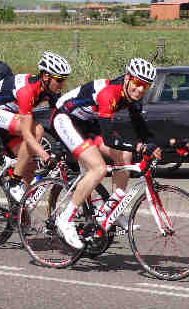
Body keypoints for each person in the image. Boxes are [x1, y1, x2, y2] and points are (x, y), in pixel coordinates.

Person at [51, 58, 163, 249]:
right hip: (65, 118)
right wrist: (139, 147)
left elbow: (143, 132)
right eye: (137, 83)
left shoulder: (132, 97)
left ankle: (113, 209)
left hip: (88, 122)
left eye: (146, 85)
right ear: (128, 78)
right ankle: (65, 218)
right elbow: (110, 140)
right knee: (98, 168)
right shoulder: (109, 93)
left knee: (124, 156)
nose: (140, 89)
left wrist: (166, 145)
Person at [0, 51, 71, 202]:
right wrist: (47, 157)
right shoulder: (27, 90)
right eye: (60, 79)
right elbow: (28, 134)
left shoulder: (51, 90)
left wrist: (62, 146)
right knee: (37, 130)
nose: (63, 84)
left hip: (9, 116)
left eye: (65, 80)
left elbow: (58, 120)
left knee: (30, 166)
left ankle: (18, 214)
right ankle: (14, 182)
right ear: (46, 76)